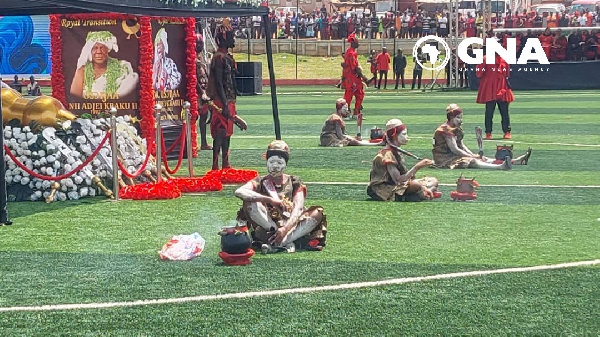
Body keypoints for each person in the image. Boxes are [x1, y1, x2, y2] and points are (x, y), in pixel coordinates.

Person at [235, 140, 327, 254]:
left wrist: (285, 229)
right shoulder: (260, 181)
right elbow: (240, 191)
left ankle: (278, 243)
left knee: (317, 212)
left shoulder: (294, 181)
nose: (275, 166)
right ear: (267, 162)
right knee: (250, 202)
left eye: (279, 162)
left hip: (290, 225)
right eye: (272, 161)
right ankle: (283, 242)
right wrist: (270, 200)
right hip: (268, 225)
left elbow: (298, 207)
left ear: (286, 164)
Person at [432, 104, 531, 170]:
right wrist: (471, 156)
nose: (460, 120)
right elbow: (455, 149)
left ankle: (516, 162)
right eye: (458, 118)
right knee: (473, 161)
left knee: (482, 158)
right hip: (444, 158)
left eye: (461, 117)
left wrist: (472, 153)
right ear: (451, 117)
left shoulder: (455, 128)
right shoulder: (446, 130)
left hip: (453, 155)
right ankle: (500, 167)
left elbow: (461, 145)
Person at [206, 19, 248, 170]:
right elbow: (218, 82)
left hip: (228, 100)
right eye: (231, 36)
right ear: (224, 39)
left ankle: (225, 162)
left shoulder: (227, 57)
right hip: (220, 100)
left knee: (228, 132)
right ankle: (215, 164)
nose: (233, 39)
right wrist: (223, 103)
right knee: (220, 131)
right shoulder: (218, 58)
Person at [367, 118, 439, 202]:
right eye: (404, 134)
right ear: (394, 136)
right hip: (384, 189)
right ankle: (413, 195)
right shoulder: (387, 155)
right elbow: (398, 180)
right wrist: (417, 166)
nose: (406, 137)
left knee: (433, 181)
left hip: (399, 184)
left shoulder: (396, 151)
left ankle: (418, 193)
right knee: (416, 185)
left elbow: (406, 177)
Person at [70, 31, 139, 98]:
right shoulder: (83, 70)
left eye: (102, 47)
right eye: (95, 48)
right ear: (89, 50)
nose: (99, 52)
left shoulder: (122, 67)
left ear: (107, 50)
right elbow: (74, 98)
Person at [476, 51, 514, 140]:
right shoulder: (485, 59)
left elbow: (479, 74)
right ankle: (489, 133)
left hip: (501, 88)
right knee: (490, 112)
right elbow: (479, 73)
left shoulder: (504, 59)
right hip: (491, 89)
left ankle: (506, 131)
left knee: (503, 112)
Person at [342, 33, 368, 119]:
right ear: (353, 43)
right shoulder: (351, 53)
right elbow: (354, 67)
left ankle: (356, 112)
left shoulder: (351, 52)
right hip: (352, 77)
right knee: (348, 96)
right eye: (357, 42)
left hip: (354, 77)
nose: (358, 44)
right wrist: (363, 76)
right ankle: (345, 113)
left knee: (359, 94)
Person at [195, 34, 212, 152]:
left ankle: (204, 142)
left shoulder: (201, 59)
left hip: (204, 92)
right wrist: (201, 92)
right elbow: (193, 78)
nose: (200, 46)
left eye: (201, 43)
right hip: (196, 93)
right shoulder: (192, 60)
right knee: (194, 118)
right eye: (197, 43)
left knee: (204, 117)